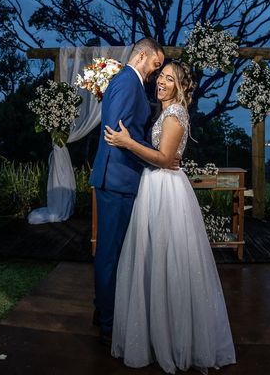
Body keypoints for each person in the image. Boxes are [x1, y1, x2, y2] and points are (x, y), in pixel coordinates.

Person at [104, 61, 236, 374]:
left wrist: (127, 142)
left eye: (168, 78)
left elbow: (164, 159)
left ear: (179, 86)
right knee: (154, 260)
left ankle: (174, 339)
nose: (161, 82)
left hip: (166, 190)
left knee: (170, 261)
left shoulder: (176, 114)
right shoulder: (165, 111)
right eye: (160, 76)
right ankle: (154, 332)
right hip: (155, 187)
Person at [90, 37, 174, 346]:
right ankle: (109, 323)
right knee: (110, 255)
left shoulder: (129, 82)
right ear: (142, 55)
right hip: (117, 180)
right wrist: (155, 161)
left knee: (113, 252)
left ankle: (103, 312)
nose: (157, 71)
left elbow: (129, 134)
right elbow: (117, 133)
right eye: (155, 63)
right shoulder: (127, 82)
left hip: (119, 179)